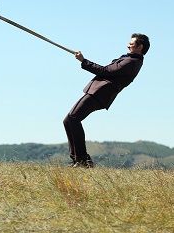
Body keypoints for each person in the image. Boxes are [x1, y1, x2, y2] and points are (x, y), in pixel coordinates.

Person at [63, 33, 150, 168]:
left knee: (72, 119)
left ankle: (82, 160)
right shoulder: (130, 59)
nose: (128, 45)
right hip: (97, 93)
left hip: (99, 94)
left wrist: (83, 61)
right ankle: (78, 159)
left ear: (140, 47)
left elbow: (105, 71)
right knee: (69, 120)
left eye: (131, 44)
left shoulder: (131, 62)